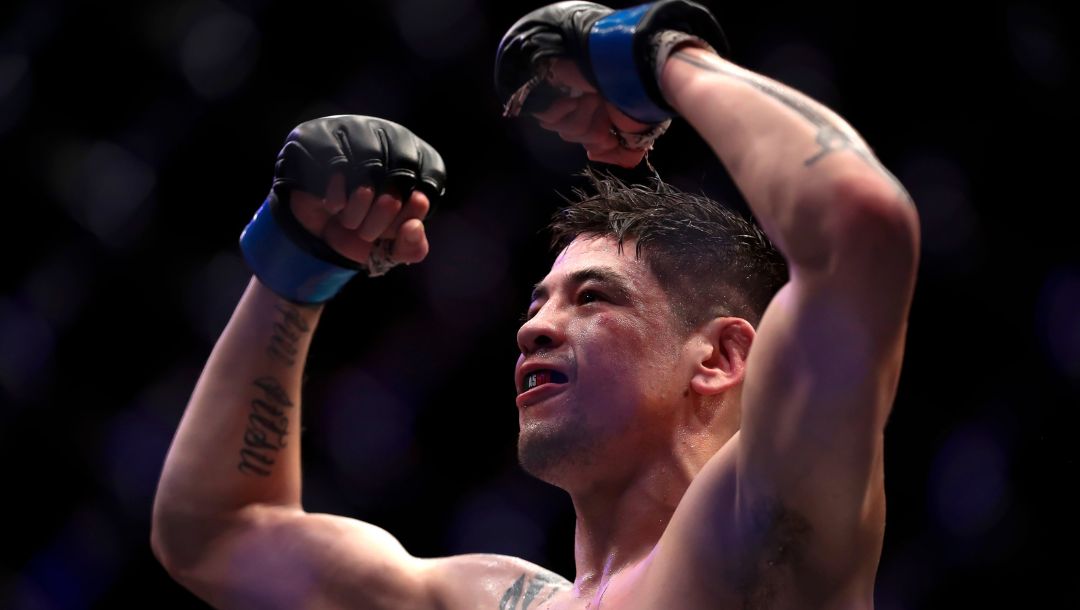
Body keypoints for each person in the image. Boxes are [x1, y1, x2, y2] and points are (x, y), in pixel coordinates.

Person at [151, 1, 920, 608]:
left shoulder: (763, 527)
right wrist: (297, 266)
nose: (534, 327)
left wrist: (659, 57)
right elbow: (212, 534)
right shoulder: (489, 602)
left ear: (719, 358)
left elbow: (860, 222)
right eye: (537, 300)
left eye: (593, 298)